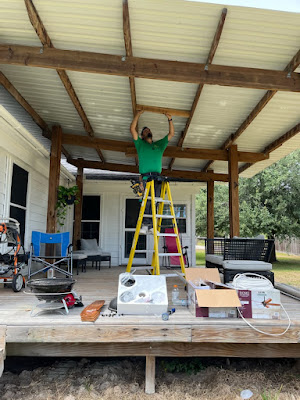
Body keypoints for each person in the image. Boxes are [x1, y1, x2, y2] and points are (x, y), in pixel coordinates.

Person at [130, 110, 175, 234]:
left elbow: (171, 133)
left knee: (155, 201)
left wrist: (170, 119)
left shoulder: (159, 145)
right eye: (144, 131)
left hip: (158, 177)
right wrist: (138, 114)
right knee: (147, 201)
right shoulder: (140, 144)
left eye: (148, 130)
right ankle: (145, 224)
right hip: (145, 177)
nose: (147, 131)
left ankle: (151, 226)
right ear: (142, 136)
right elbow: (132, 129)